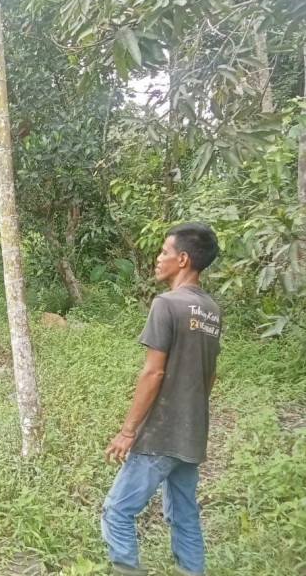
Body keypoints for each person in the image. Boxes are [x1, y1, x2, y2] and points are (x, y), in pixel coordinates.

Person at [101, 222, 222, 576]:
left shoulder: (167, 304)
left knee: (117, 511)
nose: (158, 259)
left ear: (183, 259)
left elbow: (153, 373)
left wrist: (127, 431)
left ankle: (126, 569)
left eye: (164, 252)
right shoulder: (211, 309)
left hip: (160, 434)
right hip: (192, 431)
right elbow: (209, 374)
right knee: (184, 513)